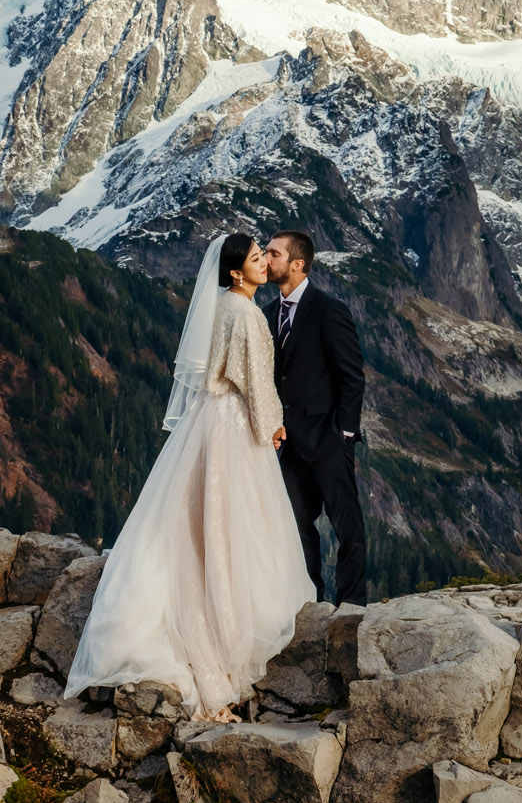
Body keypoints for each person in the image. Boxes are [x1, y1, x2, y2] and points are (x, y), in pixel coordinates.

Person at [63, 229, 317, 721]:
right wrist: (274, 427)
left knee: (200, 525)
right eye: (255, 257)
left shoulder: (224, 304)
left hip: (210, 421)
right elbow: (252, 381)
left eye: (265, 254)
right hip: (233, 428)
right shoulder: (244, 313)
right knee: (233, 526)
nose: (265, 261)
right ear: (235, 271)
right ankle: (227, 640)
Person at [263, 231, 368, 606]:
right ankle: (309, 602)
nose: (265, 257)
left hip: (328, 439)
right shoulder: (269, 313)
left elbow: (352, 375)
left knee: (348, 529)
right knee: (297, 527)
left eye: (273, 253)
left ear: (297, 264)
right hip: (291, 443)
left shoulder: (328, 309)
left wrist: (344, 433)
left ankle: (352, 607)